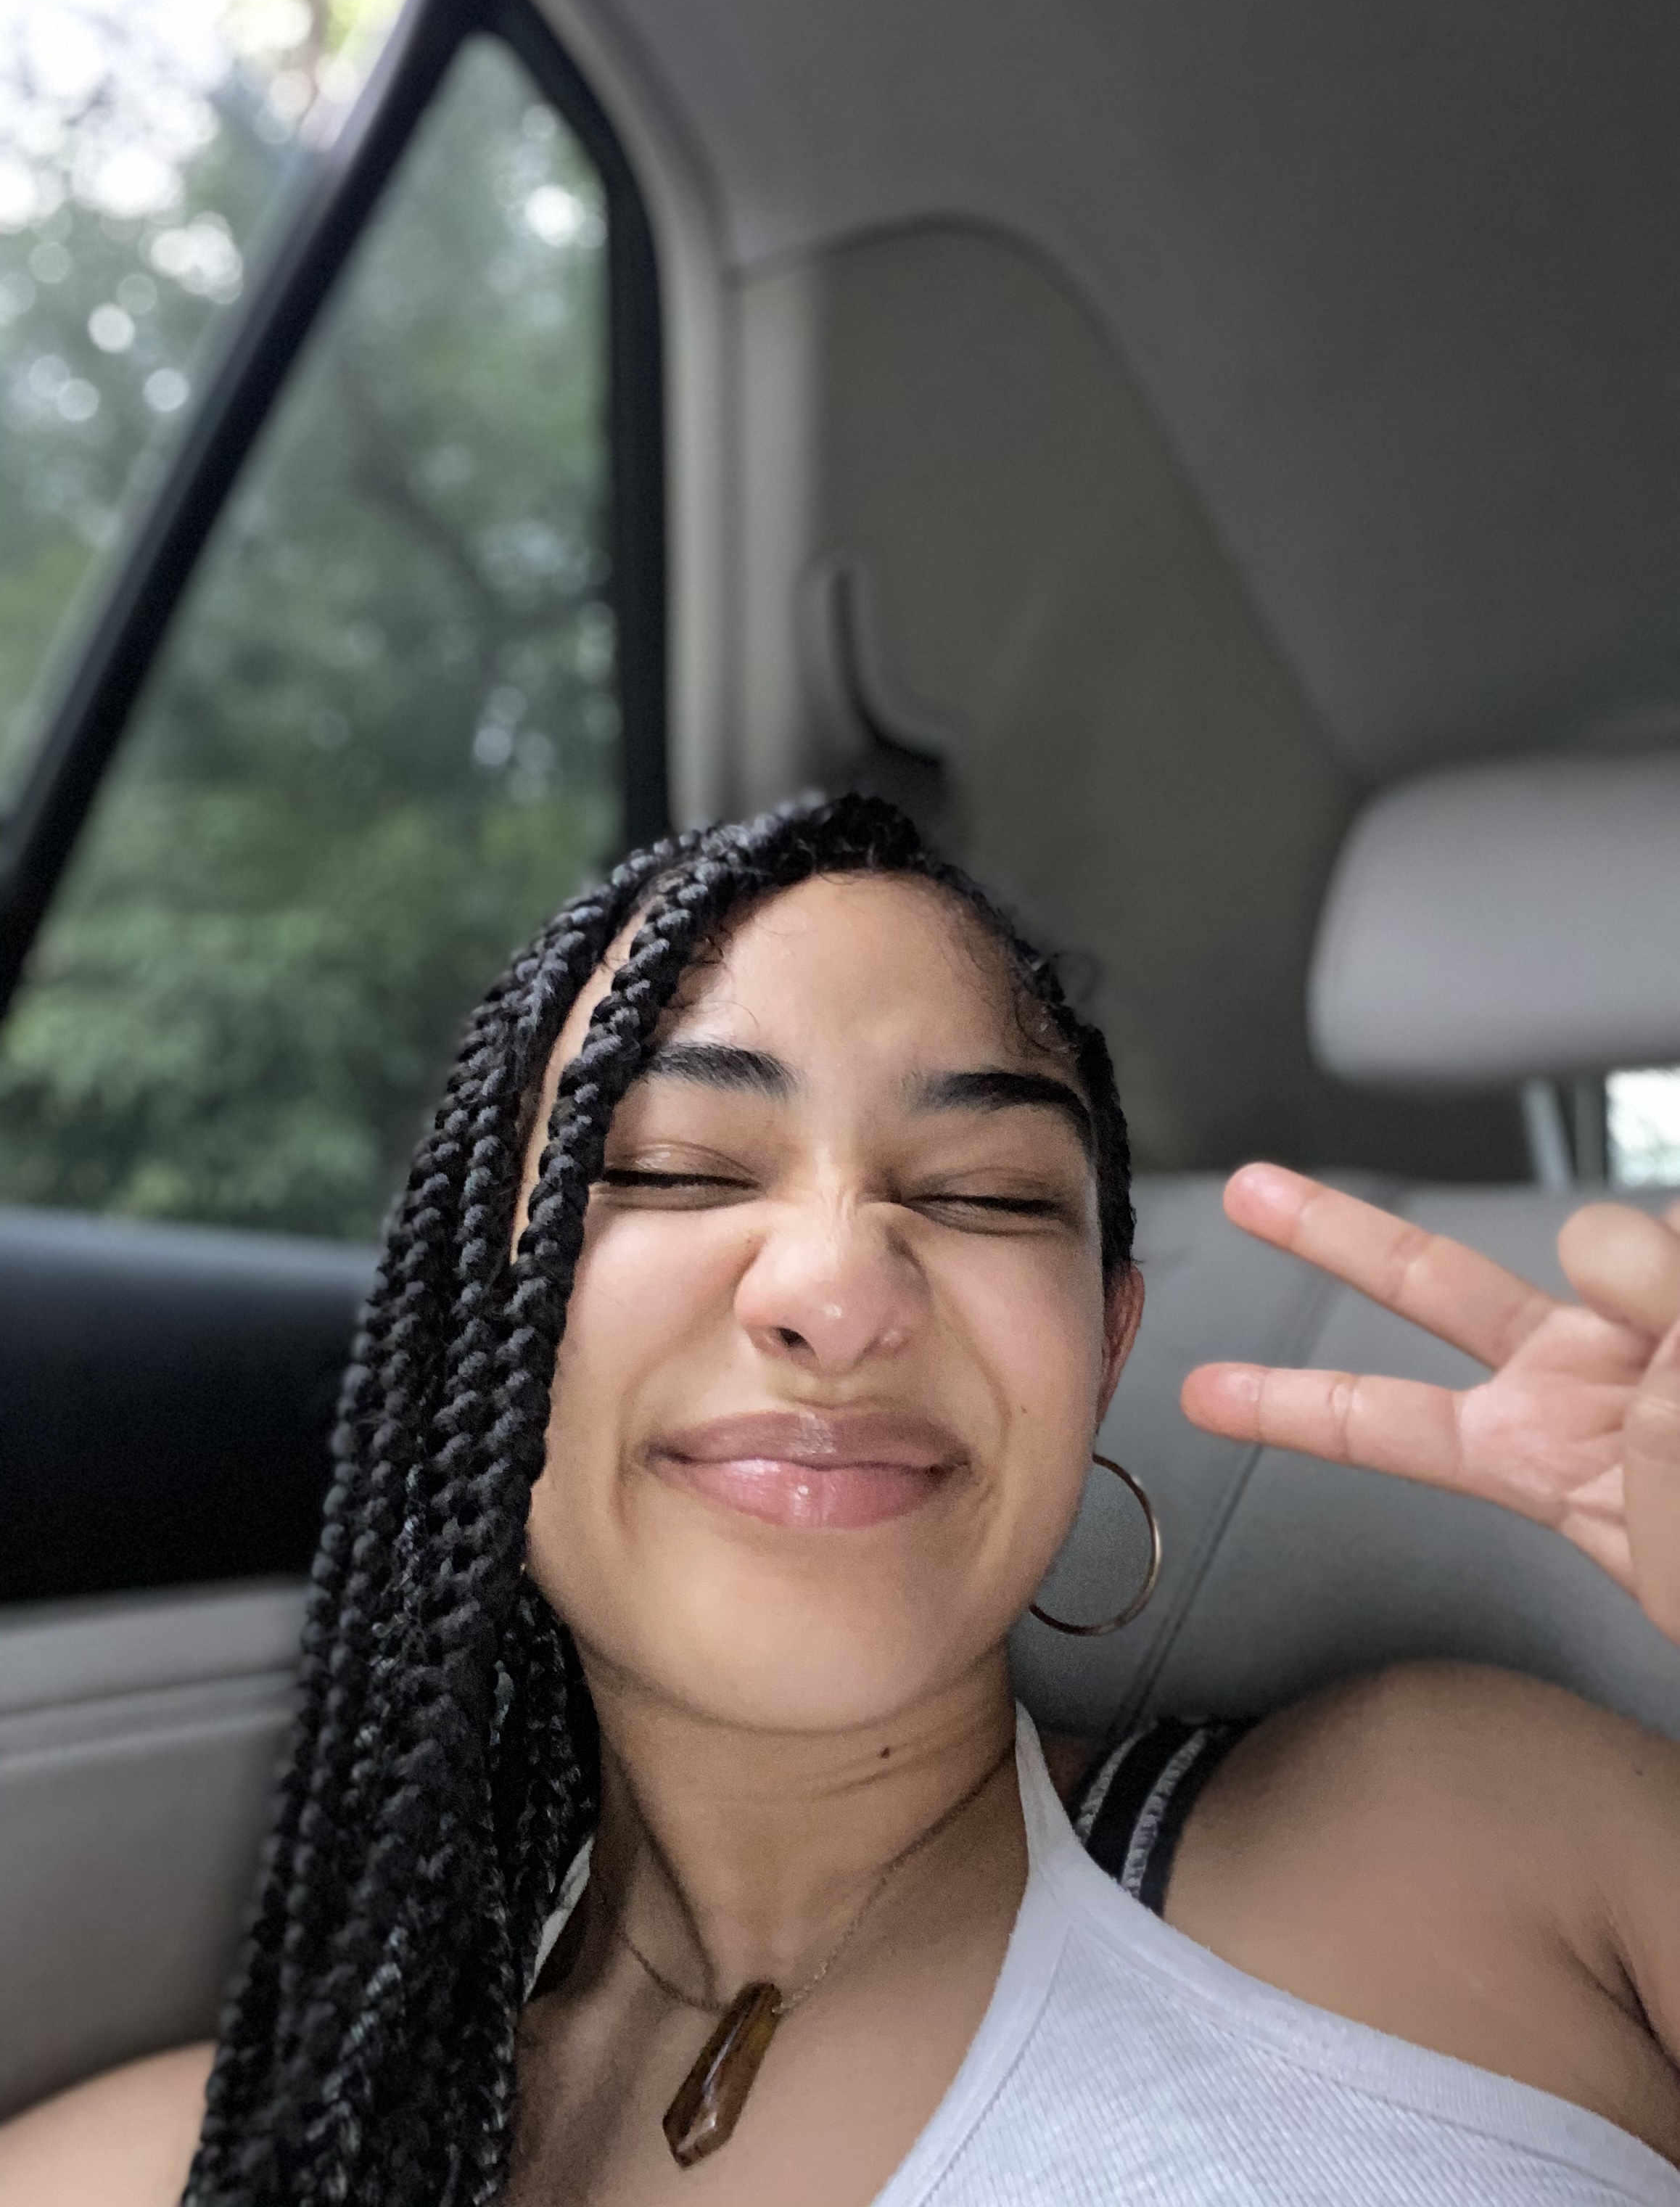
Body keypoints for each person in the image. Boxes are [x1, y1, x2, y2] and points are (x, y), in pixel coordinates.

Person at [1, 793, 1677, 2207]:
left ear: (1103, 1350)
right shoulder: (262, 2151)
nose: (840, 1288)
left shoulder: (1480, 1835)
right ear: (475, 1338)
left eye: (983, 1191)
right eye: (670, 1166)